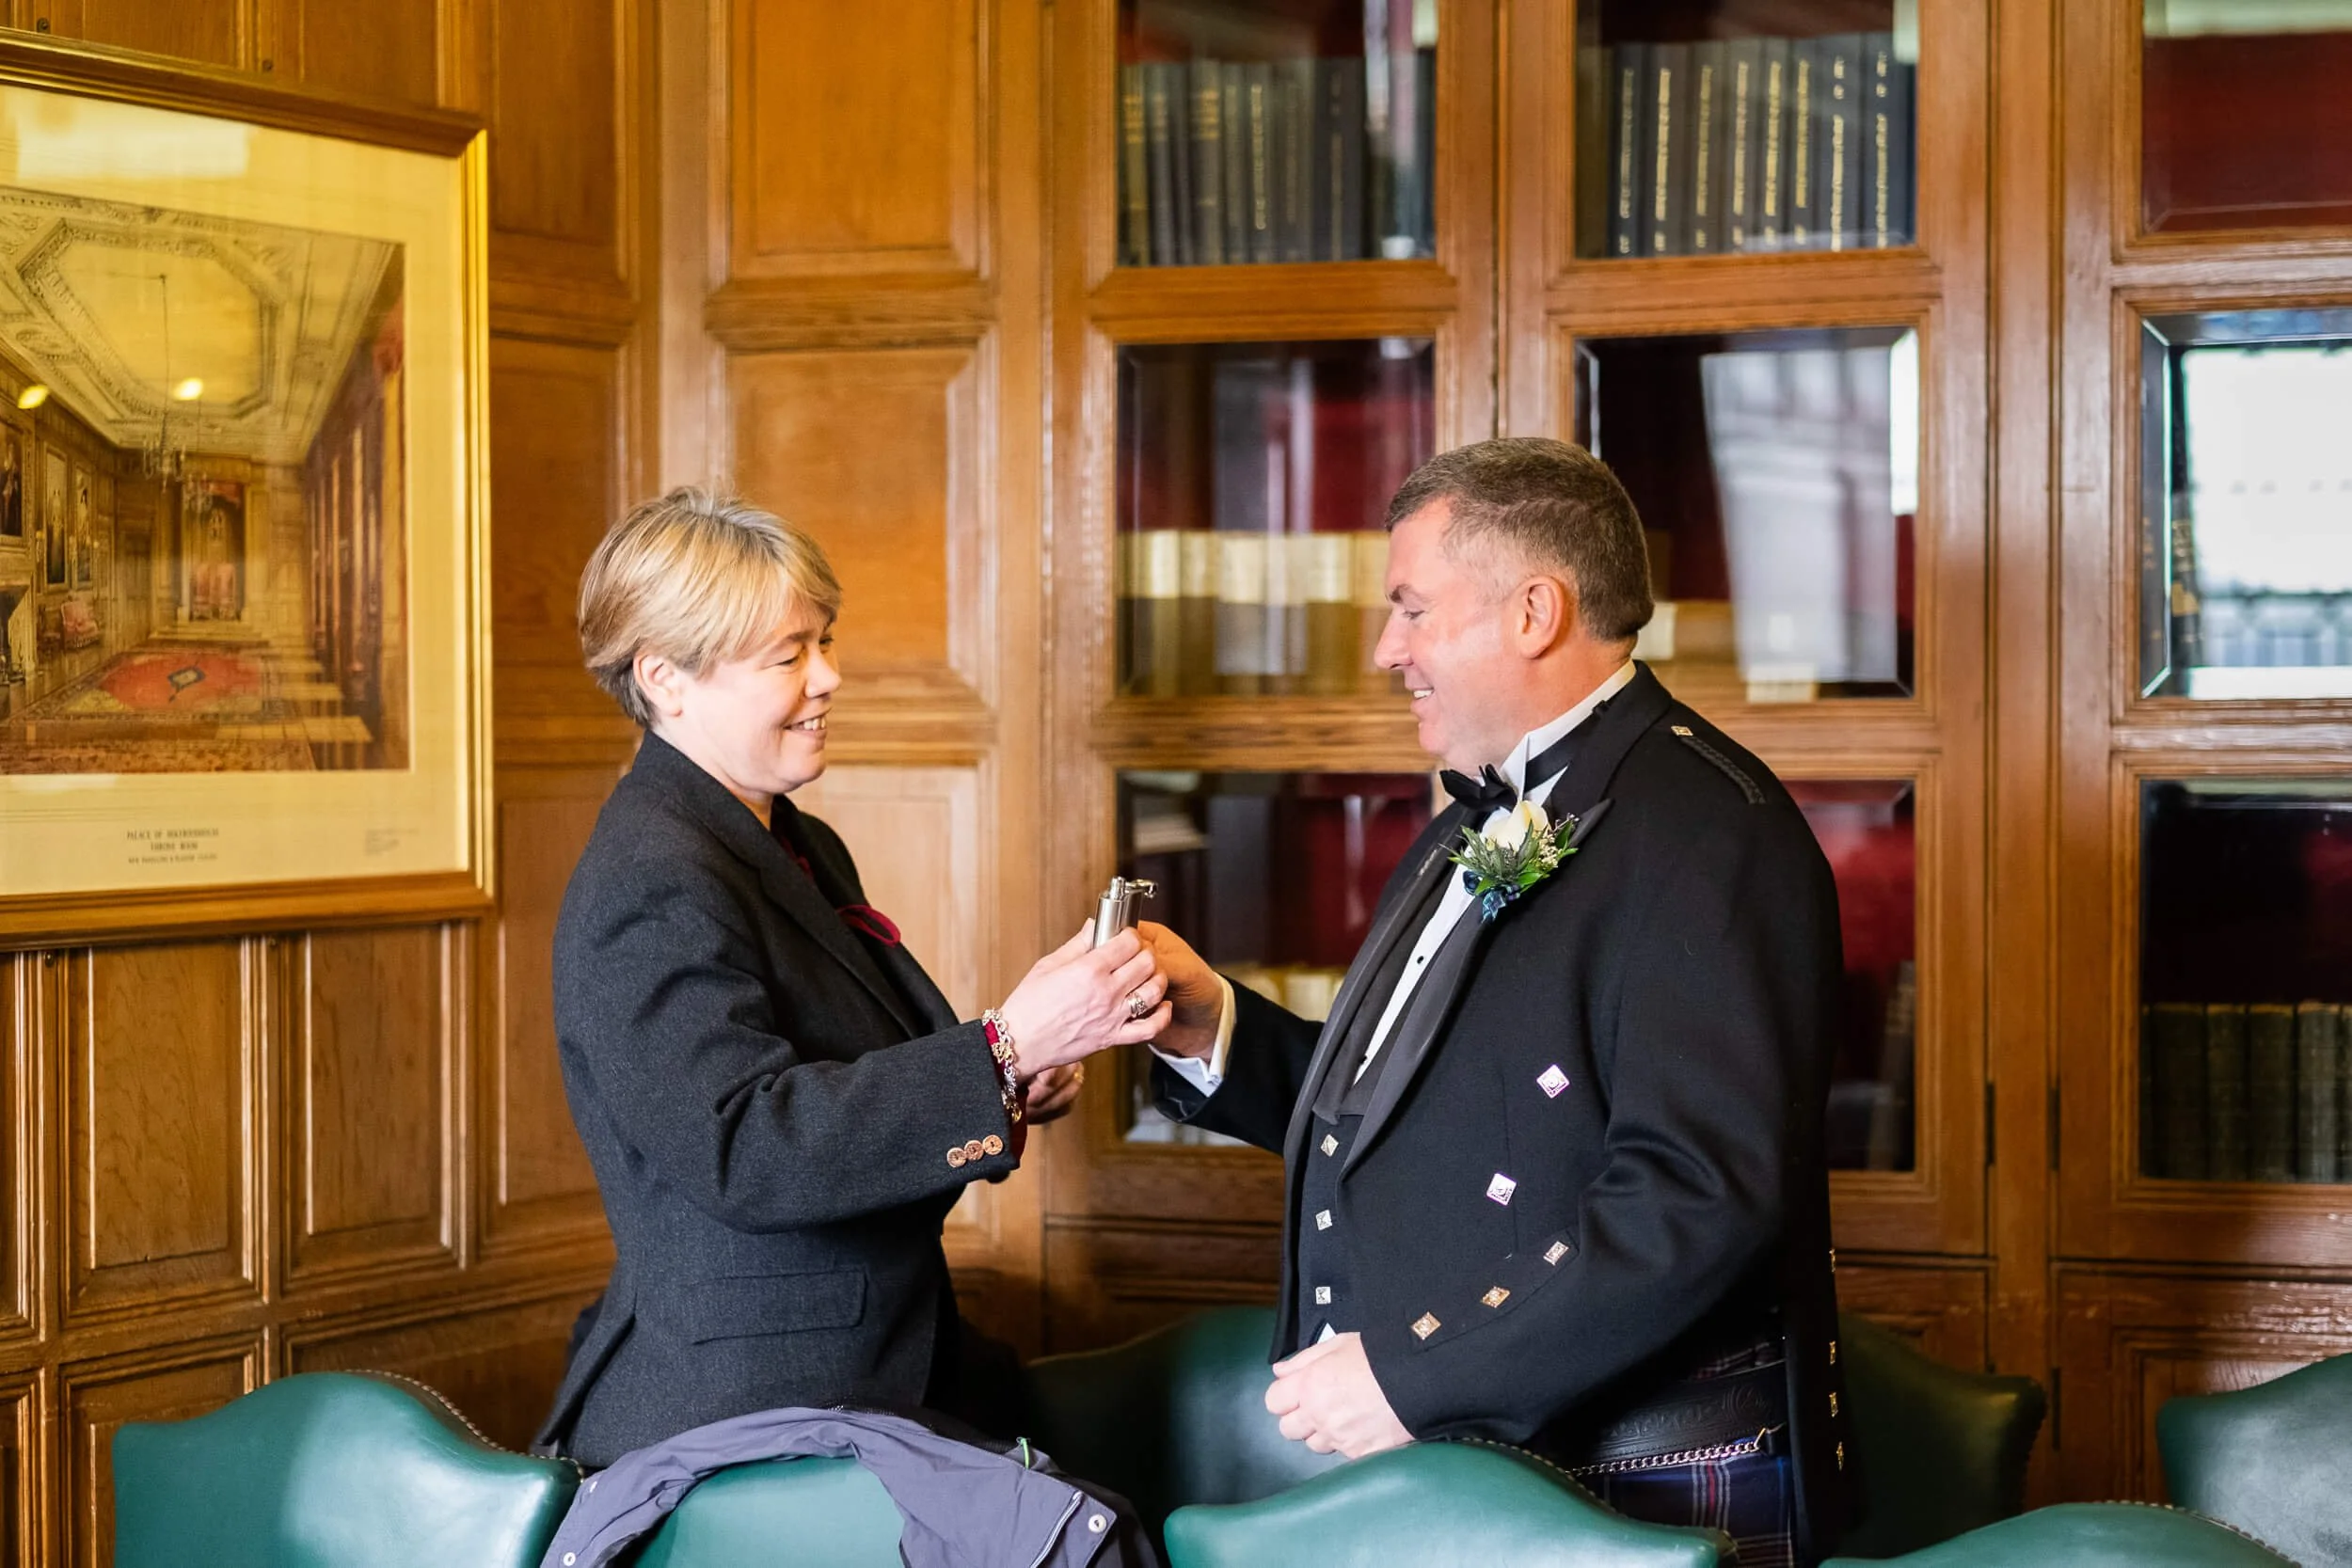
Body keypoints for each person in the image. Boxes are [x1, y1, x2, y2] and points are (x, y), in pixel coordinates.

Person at [1142, 438, 1852, 1565]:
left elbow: (1700, 1196)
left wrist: (1416, 1370)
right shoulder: (1475, 817)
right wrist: (1209, 1025)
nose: (1388, 649)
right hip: (1478, 1466)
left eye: (1413, 609)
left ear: (1533, 610)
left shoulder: (1710, 832)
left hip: (1623, 1491)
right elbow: (1438, 1118)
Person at [535, 489, 1169, 1466]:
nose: (828, 676)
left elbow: (834, 1086)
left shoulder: (791, 839)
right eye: (787, 655)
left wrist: (1006, 1078)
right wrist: (1002, 1047)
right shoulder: (653, 874)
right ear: (664, 679)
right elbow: (745, 1145)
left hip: (869, 1364)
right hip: (757, 1411)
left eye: (823, 641)